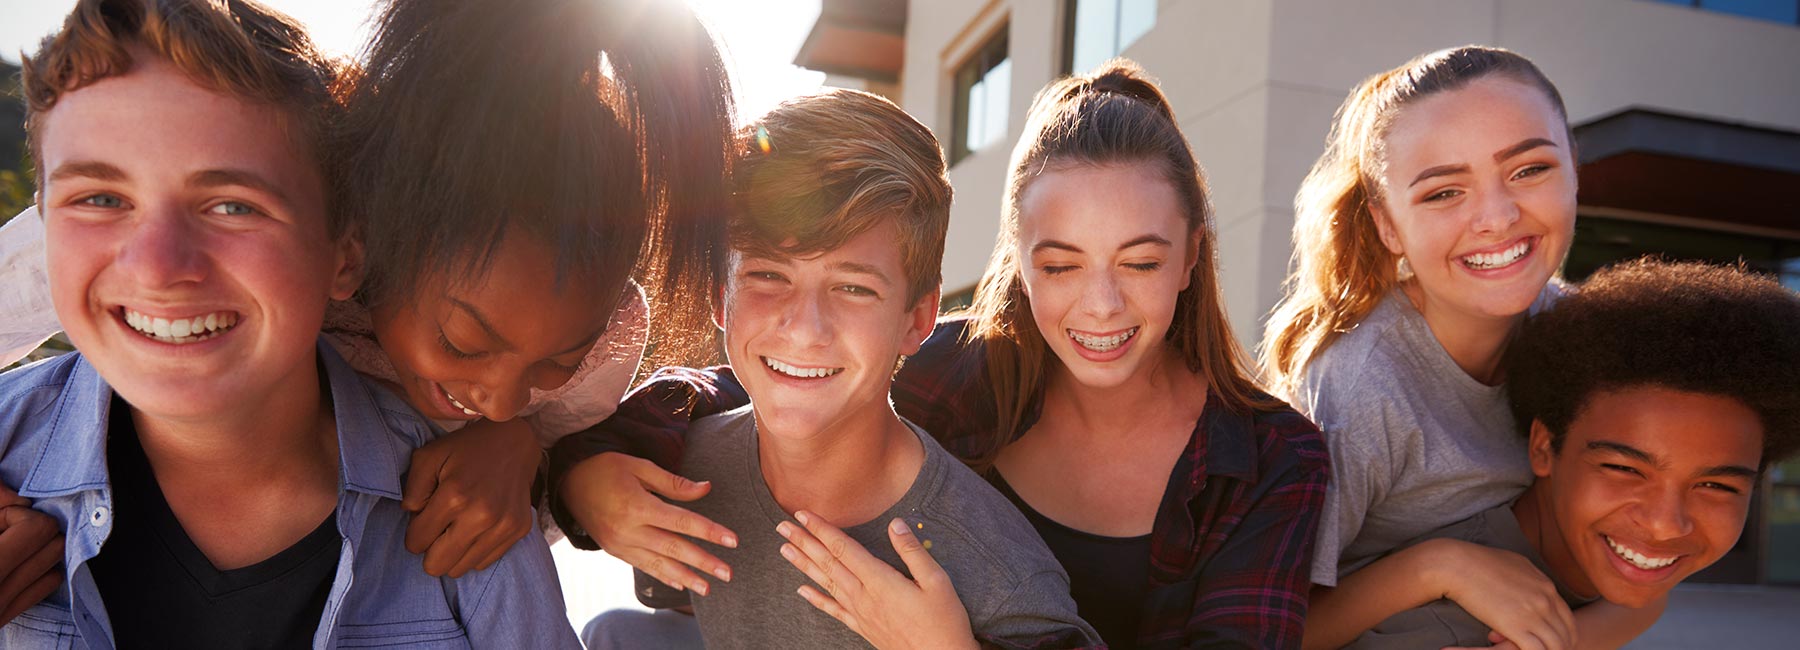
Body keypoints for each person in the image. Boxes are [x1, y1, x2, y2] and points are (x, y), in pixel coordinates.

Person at [554, 60, 1331, 649]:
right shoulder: (959, 368)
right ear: (1019, 265)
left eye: (1140, 262)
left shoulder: (1267, 458)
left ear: (1193, 257)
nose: (1100, 305)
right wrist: (579, 475)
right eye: (1060, 265)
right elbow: (748, 386)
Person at [0, 0, 737, 578]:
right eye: (463, 342)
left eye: (553, 364)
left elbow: (511, 503)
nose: (507, 395)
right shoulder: (245, 221)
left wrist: (523, 448)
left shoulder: (607, 341)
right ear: (359, 244)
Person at [592, 87, 1098, 649]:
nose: (805, 327)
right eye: (768, 275)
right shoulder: (676, 470)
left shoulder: (998, 571)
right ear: (720, 297)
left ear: (917, 318)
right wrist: (574, 478)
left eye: (853, 287)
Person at [1258, 46, 1658, 649]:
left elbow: (1651, 580)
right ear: (1388, 224)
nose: (1496, 218)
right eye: (1444, 192)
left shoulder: (1592, 342)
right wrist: (1439, 566)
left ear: (1574, 170)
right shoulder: (1358, 388)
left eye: (1530, 170)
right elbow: (1267, 631)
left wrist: (1559, 641)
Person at [1343, 258, 1800, 648]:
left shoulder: (1594, 576)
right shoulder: (1450, 628)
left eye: (1715, 484)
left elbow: (1646, 605)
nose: (1665, 525)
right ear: (1543, 446)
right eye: (1624, 469)